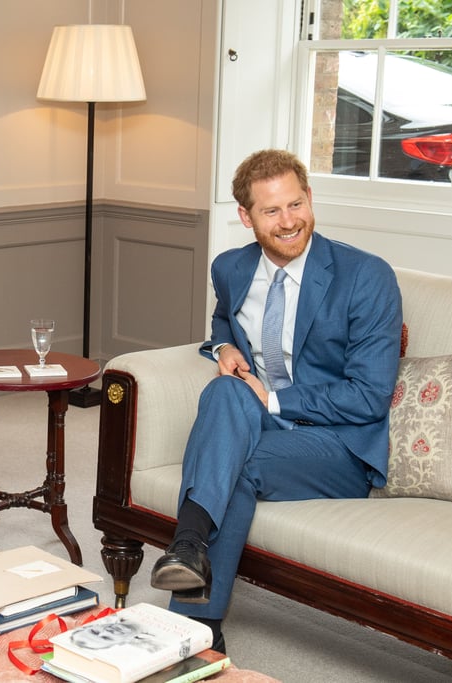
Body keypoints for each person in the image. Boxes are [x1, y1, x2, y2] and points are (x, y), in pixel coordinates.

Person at [149, 150, 402, 652]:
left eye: (296, 204)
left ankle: (194, 619)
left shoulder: (366, 277)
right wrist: (222, 349)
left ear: (310, 199)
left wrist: (275, 400)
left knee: (234, 468)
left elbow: (369, 397)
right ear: (246, 217)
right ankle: (193, 565)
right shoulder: (230, 268)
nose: (289, 222)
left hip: (338, 445)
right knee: (224, 387)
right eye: (272, 211)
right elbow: (226, 320)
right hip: (257, 420)